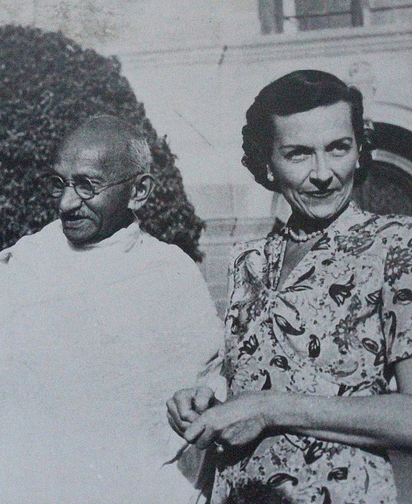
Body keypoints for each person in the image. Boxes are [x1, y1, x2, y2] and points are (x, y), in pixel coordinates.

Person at [0, 115, 223, 503]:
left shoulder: (170, 275)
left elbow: (198, 395)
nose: (67, 203)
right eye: (60, 184)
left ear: (139, 191)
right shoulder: (28, 263)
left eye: (87, 186)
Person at [167, 69, 412, 504]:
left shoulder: (396, 246)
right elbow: (250, 382)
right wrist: (209, 401)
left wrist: (268, 408)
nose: (323, 174)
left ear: (359, 151)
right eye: (298, 154)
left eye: (338, 148)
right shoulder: (249, 259)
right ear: (266, 163)